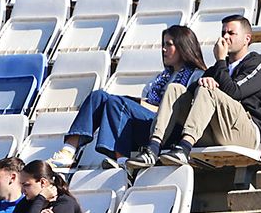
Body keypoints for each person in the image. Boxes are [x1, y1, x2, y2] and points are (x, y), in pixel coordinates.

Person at [51, 24, 209, 169]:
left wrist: (134, 102)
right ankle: (68, 151)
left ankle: (122, 161)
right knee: (98, 96)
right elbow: (149, 103)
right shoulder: (161, 78)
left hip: (169, 131)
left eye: (169, 44)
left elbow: (183, 112)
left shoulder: (197, 76)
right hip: (150, 123)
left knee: (118, 103)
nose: (163, 49)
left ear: (183, 46)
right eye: (163, 44)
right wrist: (137, 102)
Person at [129, 14, 261, 169]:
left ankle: (184, 147)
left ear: (247, 39)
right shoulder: (217, 69)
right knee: (175, 89)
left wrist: (220, 60)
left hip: (246, 133)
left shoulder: (257, 63)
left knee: (207, 89)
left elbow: (234, 92)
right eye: (223, 33)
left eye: (231, 33)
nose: (225, 37)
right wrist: (201, 81)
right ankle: (153, 148)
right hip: (216, 132)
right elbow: (189, 93)